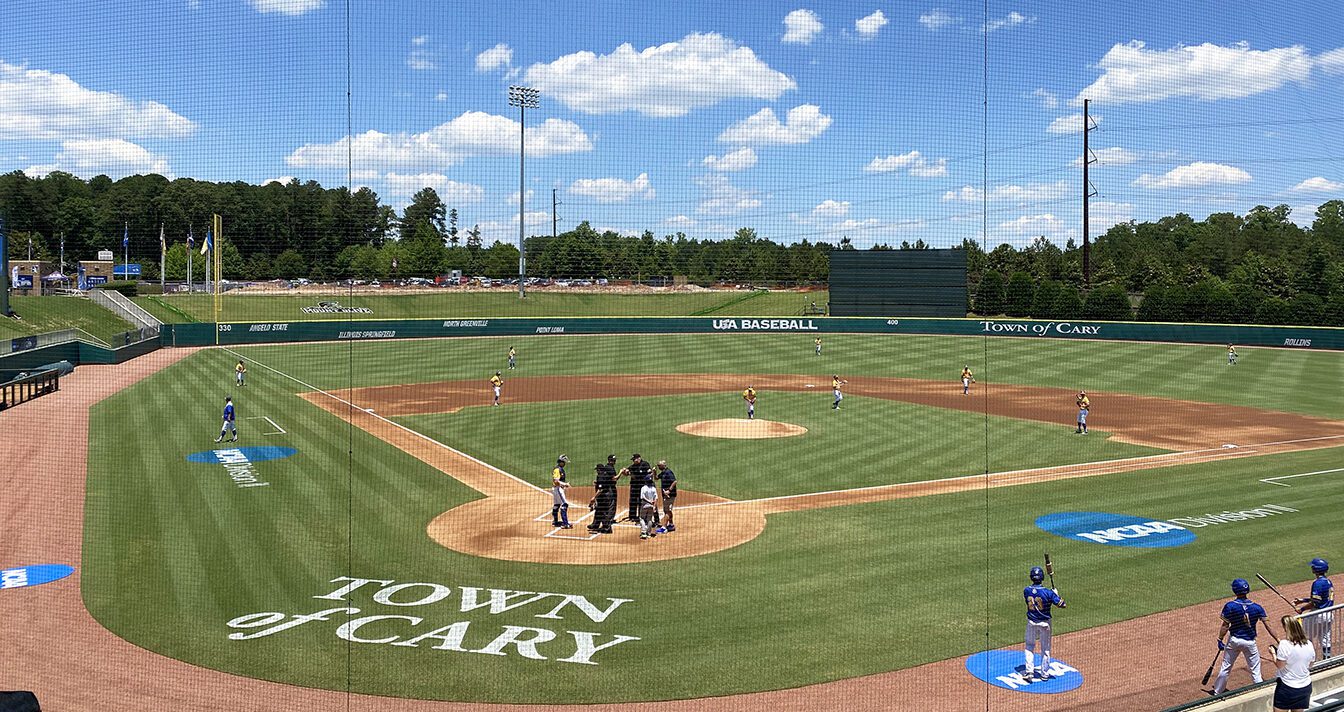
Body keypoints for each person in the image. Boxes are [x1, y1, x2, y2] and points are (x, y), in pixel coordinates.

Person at [1210, 578, 1278, 695]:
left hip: (1234, 641)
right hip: (1250, 642)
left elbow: (1225, 625)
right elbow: (1268, 625)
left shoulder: (1230, 606)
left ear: (1234, 590)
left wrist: (1220, 639)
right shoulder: (1257, 607)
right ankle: (1260, 691)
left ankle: (1217, 691)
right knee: (1255, 671)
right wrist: (1278, 639)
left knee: (1226, 667)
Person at [1023, 566, 1065, 681]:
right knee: (1045, 649)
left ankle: (1029, 672)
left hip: (1031, 622)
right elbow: (1062, 604)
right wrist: (1056, 595)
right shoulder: (1048, 593)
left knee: (1029, 646)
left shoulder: (1026, 590)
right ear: (1042, 578)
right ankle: (1045, 674)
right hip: (1045, 624)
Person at [1272, 615, 1316, 712]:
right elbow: (1311, 664)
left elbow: (1280, 665)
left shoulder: (1284, 644)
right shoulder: (1309, 643)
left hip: (1287, 687)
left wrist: (1273, 654)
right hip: (1305, 687)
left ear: (1286, 628)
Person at [1294, 558, 1333, 659]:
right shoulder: (1328, 581)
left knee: (1306, 637)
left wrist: (1301, 609)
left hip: (1317, 615)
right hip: (1328, 614)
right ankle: (1327, 659)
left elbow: (1315, 602)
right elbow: (1321, 599)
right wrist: (1302, 600)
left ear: (1316, 569)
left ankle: (1307, 661)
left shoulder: (1317, 583)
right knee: (1325, 638)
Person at [620, 453, 654, 522]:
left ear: (639, 458)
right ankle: (632, 516)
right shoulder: (633, 466)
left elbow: (647, 474)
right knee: (632, 501)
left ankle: (641, 515)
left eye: (634, 460)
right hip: (634, 486)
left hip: (642, 486)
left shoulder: (645, 464)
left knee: (641, 501)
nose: (633, 461)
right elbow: (627, 473)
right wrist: (625, 471)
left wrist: (630, 474)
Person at [587, 457, 618, 534]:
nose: (597, 471)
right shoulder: (603, 475)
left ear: (599, 470)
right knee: (599, 510)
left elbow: (600, 489)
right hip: (604, 495)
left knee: (604, 511)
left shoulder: (601, 476)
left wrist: (594, 498)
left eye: (597, 470)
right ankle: (595, 525)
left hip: (605, 496)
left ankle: (607, 528)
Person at [549, 455, 573, 529]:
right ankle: (565, 524)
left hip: (557, 489)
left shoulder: (559, 469)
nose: (565, 464)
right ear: (561, 462)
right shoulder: (557, 470)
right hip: (558, 489)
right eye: (564, 462)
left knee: (557, 504)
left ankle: (555, 521)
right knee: (564, 505)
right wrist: (565, 484)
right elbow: (556, 481)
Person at [655, 460, 677, 533]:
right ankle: (671, 524)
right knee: (667, 510)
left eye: (659, 466)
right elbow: (656, 478)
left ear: (663, 465)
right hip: (666, 495)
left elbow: (674, 481)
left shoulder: (668, 472)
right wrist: (654, 472)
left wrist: (669, 490)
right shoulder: (663, 472)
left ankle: (664, 528)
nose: (658, 467)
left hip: (670, 495)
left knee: (667, 511)